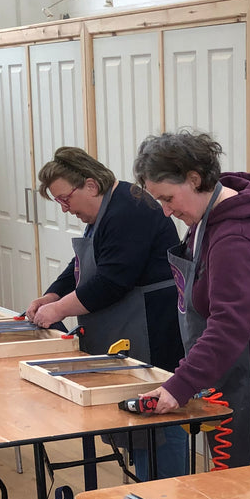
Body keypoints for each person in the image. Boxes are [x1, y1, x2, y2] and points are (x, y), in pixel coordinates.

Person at [130, 131, 250, 467]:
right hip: (229, 370)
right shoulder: (204, 221)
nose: (165, 212)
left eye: (168, 198)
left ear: (194, 179)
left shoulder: (234, 236)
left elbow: (228, 326)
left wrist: (179, 386)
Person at [28, 147, 188, 478]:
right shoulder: (104, 211)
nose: (65, 209)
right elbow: (84, 264)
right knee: (136, 424)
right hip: (129, 326)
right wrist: (52, 294)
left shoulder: (129, 210)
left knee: (157, 421)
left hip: (152, 328)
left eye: (65, 199)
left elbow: (111, 282)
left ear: (90, 184)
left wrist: (58, 309)